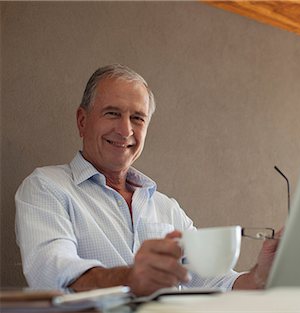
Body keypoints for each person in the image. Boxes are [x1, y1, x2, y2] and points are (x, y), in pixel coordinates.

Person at [15, 64, 281, 296]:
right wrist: (130, 279)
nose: (125, 130)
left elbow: (214, 281)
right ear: (82, 121)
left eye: (137, 118)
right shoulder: (46, 187)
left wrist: (260, 276)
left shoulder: (167, 208)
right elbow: (51, 274)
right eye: (112, 113)